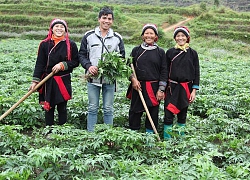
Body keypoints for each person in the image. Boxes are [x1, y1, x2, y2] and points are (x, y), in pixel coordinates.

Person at [79, 7, 125, 132]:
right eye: (104, 18)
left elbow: (121, 58)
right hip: (92, 78)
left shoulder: (117, 38)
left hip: (109, 80)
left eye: (109, 19)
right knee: (92, 107)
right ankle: (91, 134)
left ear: (112, 21)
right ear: (99, 19)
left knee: (108, 108)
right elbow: (82, 55)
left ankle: (108, 134)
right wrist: (89, 66)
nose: (107, 21)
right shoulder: (89, 36)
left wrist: (113, 67)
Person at [29, 18, 79, 126]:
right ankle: (49, 129)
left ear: (65, 30)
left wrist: (62, 65)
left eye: (62, 27)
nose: (59, 28)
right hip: (48, 80)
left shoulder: (71, 45)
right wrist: (35, 81)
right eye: (57, 26)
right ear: (52, 29)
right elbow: (40, 64)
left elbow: (75, 62)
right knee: (49, 108)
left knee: (62, 107)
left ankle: (62, 131)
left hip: (63, 80)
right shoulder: (44, 44)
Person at [127, 24, 168, 134]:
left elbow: (164, 72)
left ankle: (149, 139)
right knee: (135, 112)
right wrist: (133, 79)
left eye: (151, 33)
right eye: (146, 33)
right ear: (143, 35)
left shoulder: (160, 52)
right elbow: (128, 67)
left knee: (153, 112)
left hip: (153, 88)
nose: (149, 35)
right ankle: (133, 135)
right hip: (138, 86)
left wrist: (161, 89)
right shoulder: (136, 50)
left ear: (155, 36)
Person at [164, 26, 200, 139]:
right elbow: (165, 71)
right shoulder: (170, 52)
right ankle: (167, 138)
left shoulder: (193, 53)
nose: (180, 38)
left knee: (182, 114)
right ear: (175, 38)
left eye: (183, 36)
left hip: (186, 87)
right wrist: (162, 88)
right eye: (178, 36)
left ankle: (181, 139)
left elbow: (196, 72)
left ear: (187, 37)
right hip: (171, 87)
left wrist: (194, 90)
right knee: (168, 113)